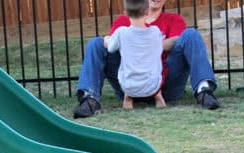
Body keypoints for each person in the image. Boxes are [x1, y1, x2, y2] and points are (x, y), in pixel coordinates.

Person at [73, 0, 220, 118]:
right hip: (128, 85)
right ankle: (89, 99)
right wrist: (158, 43)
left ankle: (204, 91)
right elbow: (110, 45)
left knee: (191, 34)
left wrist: (134, 45)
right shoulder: (123, 21)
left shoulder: (174, 20)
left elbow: (178, 41)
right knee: (95, 43)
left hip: (166, 84)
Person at [104, 0, 166, 110]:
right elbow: (159, 48)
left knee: (126, 69)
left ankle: (128, 99)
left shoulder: (121, 32)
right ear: (147, 12)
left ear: (125, 13)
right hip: (153, 85)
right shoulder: (155, 31)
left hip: (128, 85)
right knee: (156, 66)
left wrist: (107, 39)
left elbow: (111, 48)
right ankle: (158, 97)